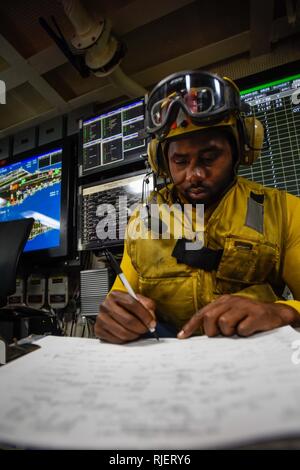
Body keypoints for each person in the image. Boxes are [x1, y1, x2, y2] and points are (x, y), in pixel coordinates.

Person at [95, 70, 300, 344]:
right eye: (180, 161)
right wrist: (114, 319)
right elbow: (121, 301)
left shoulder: (284, 210)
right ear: (161, 162)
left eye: (210, 156)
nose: (194, 175)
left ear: (241, 149)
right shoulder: (142, 220)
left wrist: (282, 311)